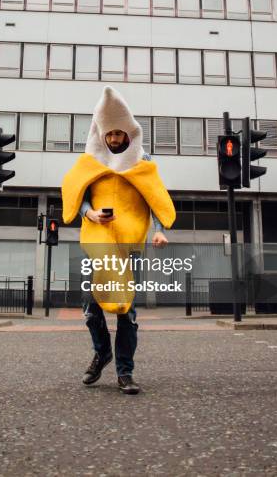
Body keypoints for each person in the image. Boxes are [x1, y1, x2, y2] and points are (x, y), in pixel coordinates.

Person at [62, 87, 175, 394]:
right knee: (91, 306)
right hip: (97, 241)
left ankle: (125, 372)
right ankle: (103, 353)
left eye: (118, 133)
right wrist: (91, 215)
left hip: (130, 244)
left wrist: (158, 229)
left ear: (128, 133)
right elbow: (80, 198)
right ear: (102, 134)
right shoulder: (90, 161)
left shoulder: (142, 160)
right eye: (108, 133)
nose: (113, 139)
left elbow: (153, 196)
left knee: (126, 309)